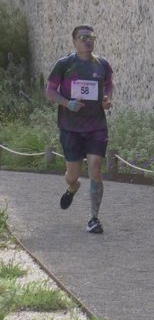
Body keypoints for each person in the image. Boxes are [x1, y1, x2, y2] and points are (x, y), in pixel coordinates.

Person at [44, 25, 114, 234]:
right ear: (74, 41)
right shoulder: (64, 64)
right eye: (83, 37)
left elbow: (109, 85)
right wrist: (67, 103)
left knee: (95, 168)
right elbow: (49, 90)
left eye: (91, 37)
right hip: (70, 127)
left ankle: (94, 218)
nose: (88, 41)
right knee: (72, 174)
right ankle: (73, 187)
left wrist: (107, 99)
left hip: (96, 126)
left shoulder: (102, 64)